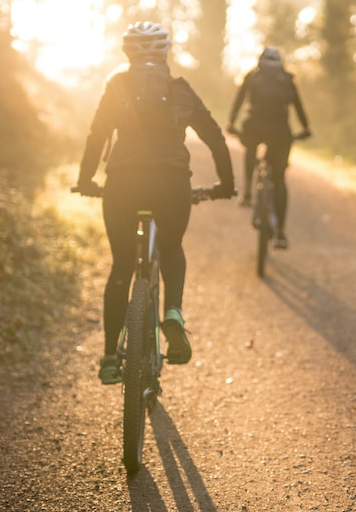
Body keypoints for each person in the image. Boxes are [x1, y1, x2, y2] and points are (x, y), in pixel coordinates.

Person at [76, 21, 236, 384]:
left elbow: (96, 135)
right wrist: (226, 183)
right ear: (165, 53)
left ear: (126, 53)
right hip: (171, 184)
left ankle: (109, 358)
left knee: (120, 267)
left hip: (123, 184)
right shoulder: (180, 90)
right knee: (171, 246)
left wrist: (86, 180)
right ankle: (174, 314)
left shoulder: (116, 87)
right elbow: (214, 137)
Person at [226, 46, 311, 249]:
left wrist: (231, 122)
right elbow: (298, 106)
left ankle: (247, 192)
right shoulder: (287, 79)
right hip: (281, 132)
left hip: (254, 126)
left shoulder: (252, 77)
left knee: (250, 150)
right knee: (279, 181)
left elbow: (239, 100)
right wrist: (306, 127)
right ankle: (281, 233)